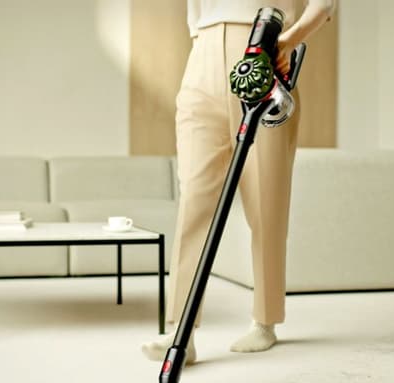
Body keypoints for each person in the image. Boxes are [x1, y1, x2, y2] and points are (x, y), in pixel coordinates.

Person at [142, 0, 337, 363]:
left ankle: (265, 320)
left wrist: (290, 39)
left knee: (265, 200)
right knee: (194, 199)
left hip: (263, 50)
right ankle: (181, 333)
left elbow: (324, 4)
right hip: (201, 56)